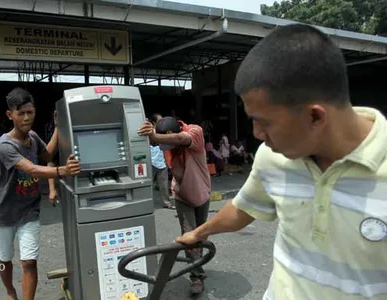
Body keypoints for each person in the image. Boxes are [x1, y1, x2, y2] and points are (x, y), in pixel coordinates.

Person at [176, 23, 387, 299]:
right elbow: (244, 208)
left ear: (315, 116)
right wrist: (200, 232)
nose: (257, 135)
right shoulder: (273, 156)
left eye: (264, 123)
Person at [0, 87, 80, 300]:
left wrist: (57, 128)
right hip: (4, 212)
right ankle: (10, 291)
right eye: (21, 113)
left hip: (29, 209)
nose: (27, 117)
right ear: (10, 115)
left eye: (30, 112)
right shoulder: (4, 146)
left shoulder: (32, 137)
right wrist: (62, 171)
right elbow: (31, 169)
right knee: (4, 259)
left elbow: (47, 153)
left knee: (29, 261)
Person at [138, 116, 211, 295]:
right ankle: (197, 277)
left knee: (200, 235)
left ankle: (196, 265)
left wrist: (155, 136)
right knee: (190, 236)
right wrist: (146, 130)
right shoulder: (168, 144)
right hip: (182, 195)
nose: (164, 149)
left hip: (201, 193)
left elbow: (181, 139)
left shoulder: (195, 131)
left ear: (171, 133)